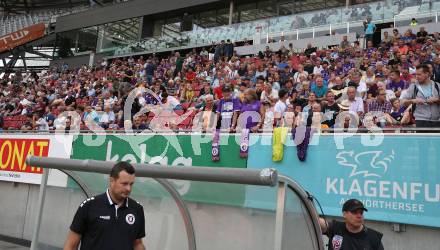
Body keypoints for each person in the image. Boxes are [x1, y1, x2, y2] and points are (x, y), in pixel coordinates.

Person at [63, 162, 146, 250]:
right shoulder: (89, 206)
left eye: (131, 184)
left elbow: (137, 244)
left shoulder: (137, 209)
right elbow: (71, 245)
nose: (128, 188)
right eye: (124, 184)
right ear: (112, 181)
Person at [319, 199, 384, 250]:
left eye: (361, 213)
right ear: (344, 214)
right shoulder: (336, 228)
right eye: (355, 212)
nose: (359, 216)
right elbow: (318, 222)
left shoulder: (374, 238)